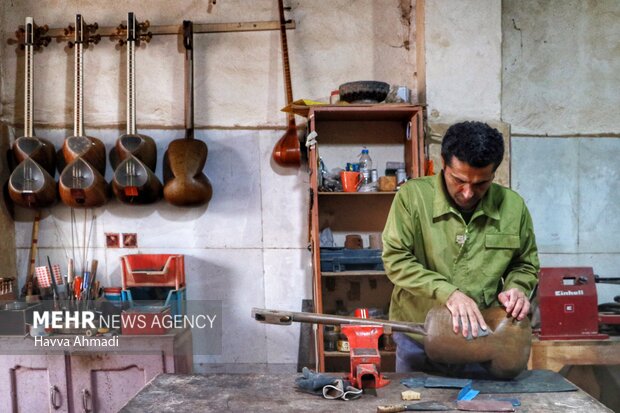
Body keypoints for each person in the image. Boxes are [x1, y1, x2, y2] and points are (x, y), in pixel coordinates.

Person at [381, 121, 539, 374]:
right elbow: (396, 260)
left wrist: (517, 288)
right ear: (443, 162)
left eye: (480, 184)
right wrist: (448, 293)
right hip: (420, 338)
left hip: (482, 338)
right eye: (459, 180)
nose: (467, 193)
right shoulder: (412, 198)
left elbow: (524, 264)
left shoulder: (513, 207)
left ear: (494, 174)